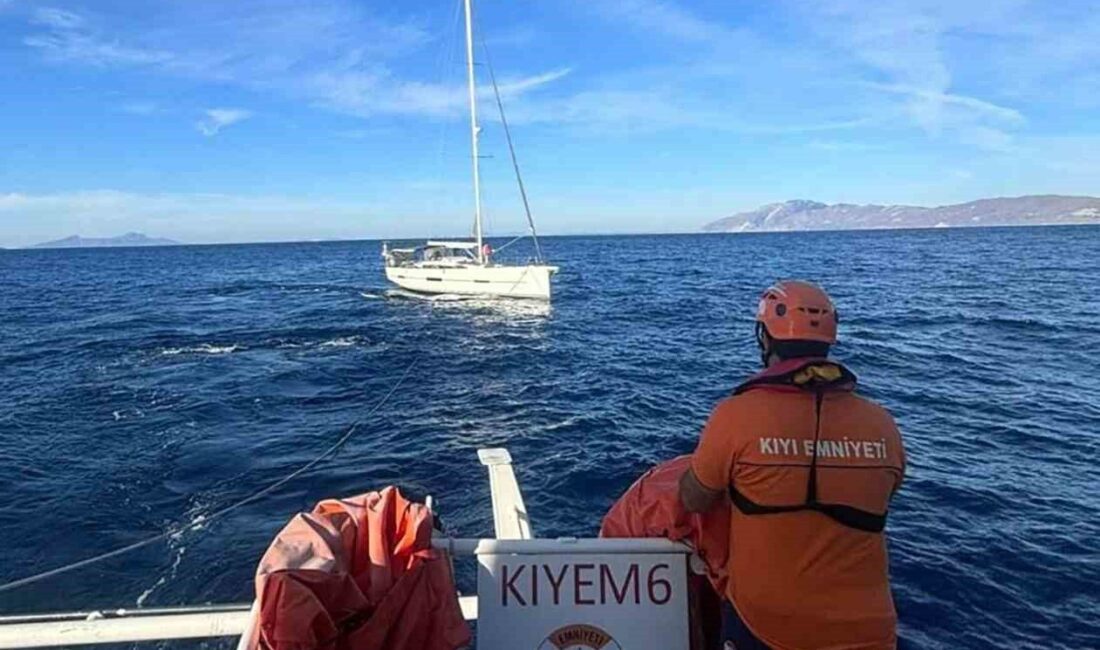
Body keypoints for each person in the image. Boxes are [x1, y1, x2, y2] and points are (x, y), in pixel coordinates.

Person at [679, 280, 906, 650]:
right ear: (828, 342)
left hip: (766, 626)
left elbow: (693, 498)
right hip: (868, 631)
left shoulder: (736, 416)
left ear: (765, 340)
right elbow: (887, 490)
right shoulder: (882, 424)